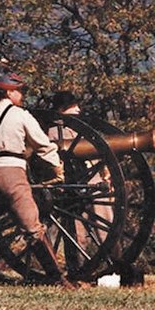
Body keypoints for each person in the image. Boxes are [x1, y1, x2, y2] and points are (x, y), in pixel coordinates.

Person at [0, 73, 65, 284]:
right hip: (12, 172)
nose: (22, 95)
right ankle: (56, 278)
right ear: (8, 91)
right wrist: (57, 168)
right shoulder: (20, 115)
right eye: (19, 91)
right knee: (32, 226)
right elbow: (43, 144)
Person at [48, 91, 115, 275]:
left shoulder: (81, 129)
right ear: (61, 110)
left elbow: (99, 154)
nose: (78, 109)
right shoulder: (54, 132)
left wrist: (106, 174)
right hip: (72, 186)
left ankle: (113, 264)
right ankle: (79, 269)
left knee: (106, 227)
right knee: (78, 233)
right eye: (73, 106)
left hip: (92, 183)